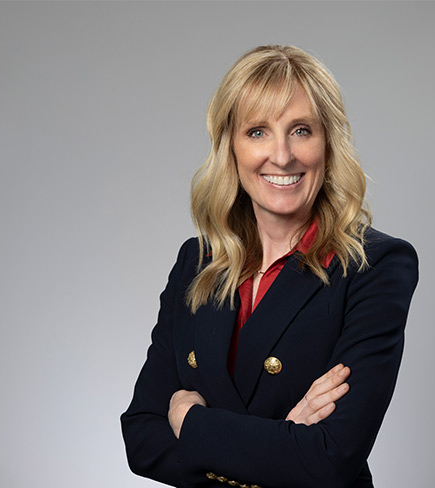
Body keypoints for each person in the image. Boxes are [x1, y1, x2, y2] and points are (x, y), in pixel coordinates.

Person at [121, 45, 418, 488]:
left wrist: (191, 422)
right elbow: (141, 437)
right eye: (257, 132)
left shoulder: (374, 267)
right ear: (230, 147)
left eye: (301, 130)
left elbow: (328, 459)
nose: (282, 156)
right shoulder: (196, 262)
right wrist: (284, 443)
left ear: (328, 142)